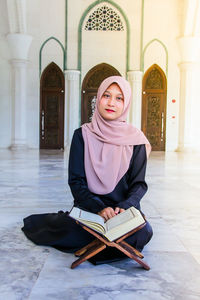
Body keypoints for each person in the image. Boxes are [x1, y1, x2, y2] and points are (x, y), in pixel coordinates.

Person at [22, 76, 153, 264]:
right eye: (106, 95)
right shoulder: (82, 135)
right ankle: (110, 244)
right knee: (72, 231)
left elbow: (138, 185)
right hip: (90, 210)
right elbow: (76, 181)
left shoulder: (136, 140)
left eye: (119, 98)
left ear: (126, 104)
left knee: (144, 233)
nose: (111, 103)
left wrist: (123, 208)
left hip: (122, 212)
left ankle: (100, 243)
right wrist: (99, 208)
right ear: (98, 98)